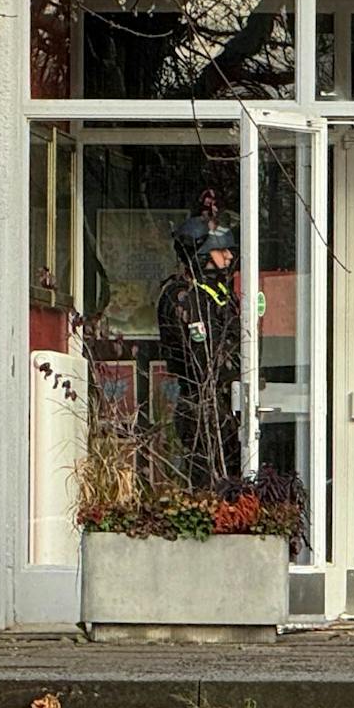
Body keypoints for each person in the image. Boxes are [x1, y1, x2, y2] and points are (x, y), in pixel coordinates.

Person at [156, 193, 241, 489]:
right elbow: (202, 358)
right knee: (208, 483)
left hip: (224, 402)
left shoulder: (215, 293)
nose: (229, 257)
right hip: (202, 404)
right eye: (222, 251)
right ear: (202, 254)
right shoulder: (185, 296)